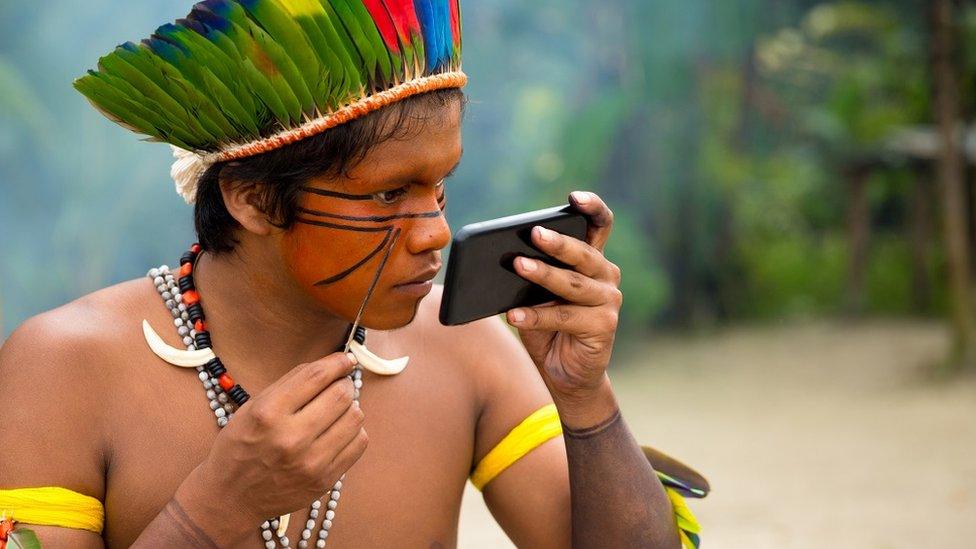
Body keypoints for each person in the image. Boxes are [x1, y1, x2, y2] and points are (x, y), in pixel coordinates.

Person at [0, 1, 702, 547]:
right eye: (388, 194)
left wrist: (584, 399)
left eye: (439, 187)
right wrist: (215, 508)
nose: (433, 232)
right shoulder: (65, 369)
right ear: (250, 197)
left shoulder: (465, 349)